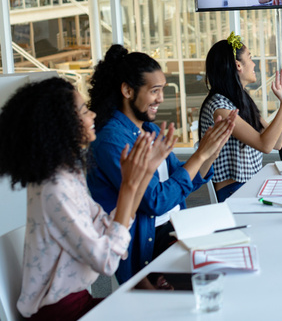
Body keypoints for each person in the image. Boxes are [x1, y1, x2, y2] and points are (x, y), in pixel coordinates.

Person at [0, 78, 168, 320]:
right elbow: (106, 261)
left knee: (163, 305)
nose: (93, 115)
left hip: (76, 303)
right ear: (61, 124)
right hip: (61, 314)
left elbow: (104, 228)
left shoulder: (67, 173)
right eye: (84, 110)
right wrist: (129, 187)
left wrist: (144, 175)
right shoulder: (54, 187)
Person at [87, 45, 235, 283]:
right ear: (127, 90)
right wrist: (199, 156)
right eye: (154, 90)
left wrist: (212, 150)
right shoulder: (111, 141)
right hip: (148, 249)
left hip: (174, 232)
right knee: (219, 280)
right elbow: (156, 201)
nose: (161, 99)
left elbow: (185, 179)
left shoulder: (150, 130)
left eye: (162, 90)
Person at [199, 33, 282, 202]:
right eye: (250, 58)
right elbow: (265, 145)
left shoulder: (239, 99)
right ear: (238, 65)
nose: (254, 64)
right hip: (233, 192)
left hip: (249, 185)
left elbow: (277, 143)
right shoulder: (220, 107)